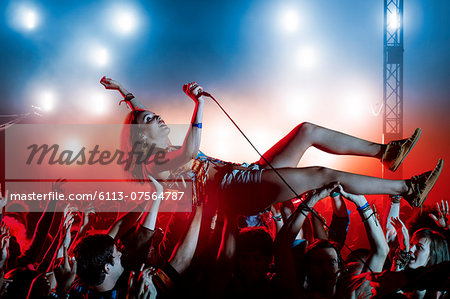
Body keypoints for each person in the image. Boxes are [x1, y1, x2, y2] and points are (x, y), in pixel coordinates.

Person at [100, 76, 443, 216]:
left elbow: (137, 114)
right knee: (321, 174)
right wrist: (198, 104)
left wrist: (123, 93)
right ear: (141, 138)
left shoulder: (154, 143)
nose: (158, 117)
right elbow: (189, 152)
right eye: (150, 120)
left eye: (154, 114)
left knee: (306, 130)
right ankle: (408, 188)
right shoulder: (153, 164)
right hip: (234, 191)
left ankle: (386, 153)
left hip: (246, 174)